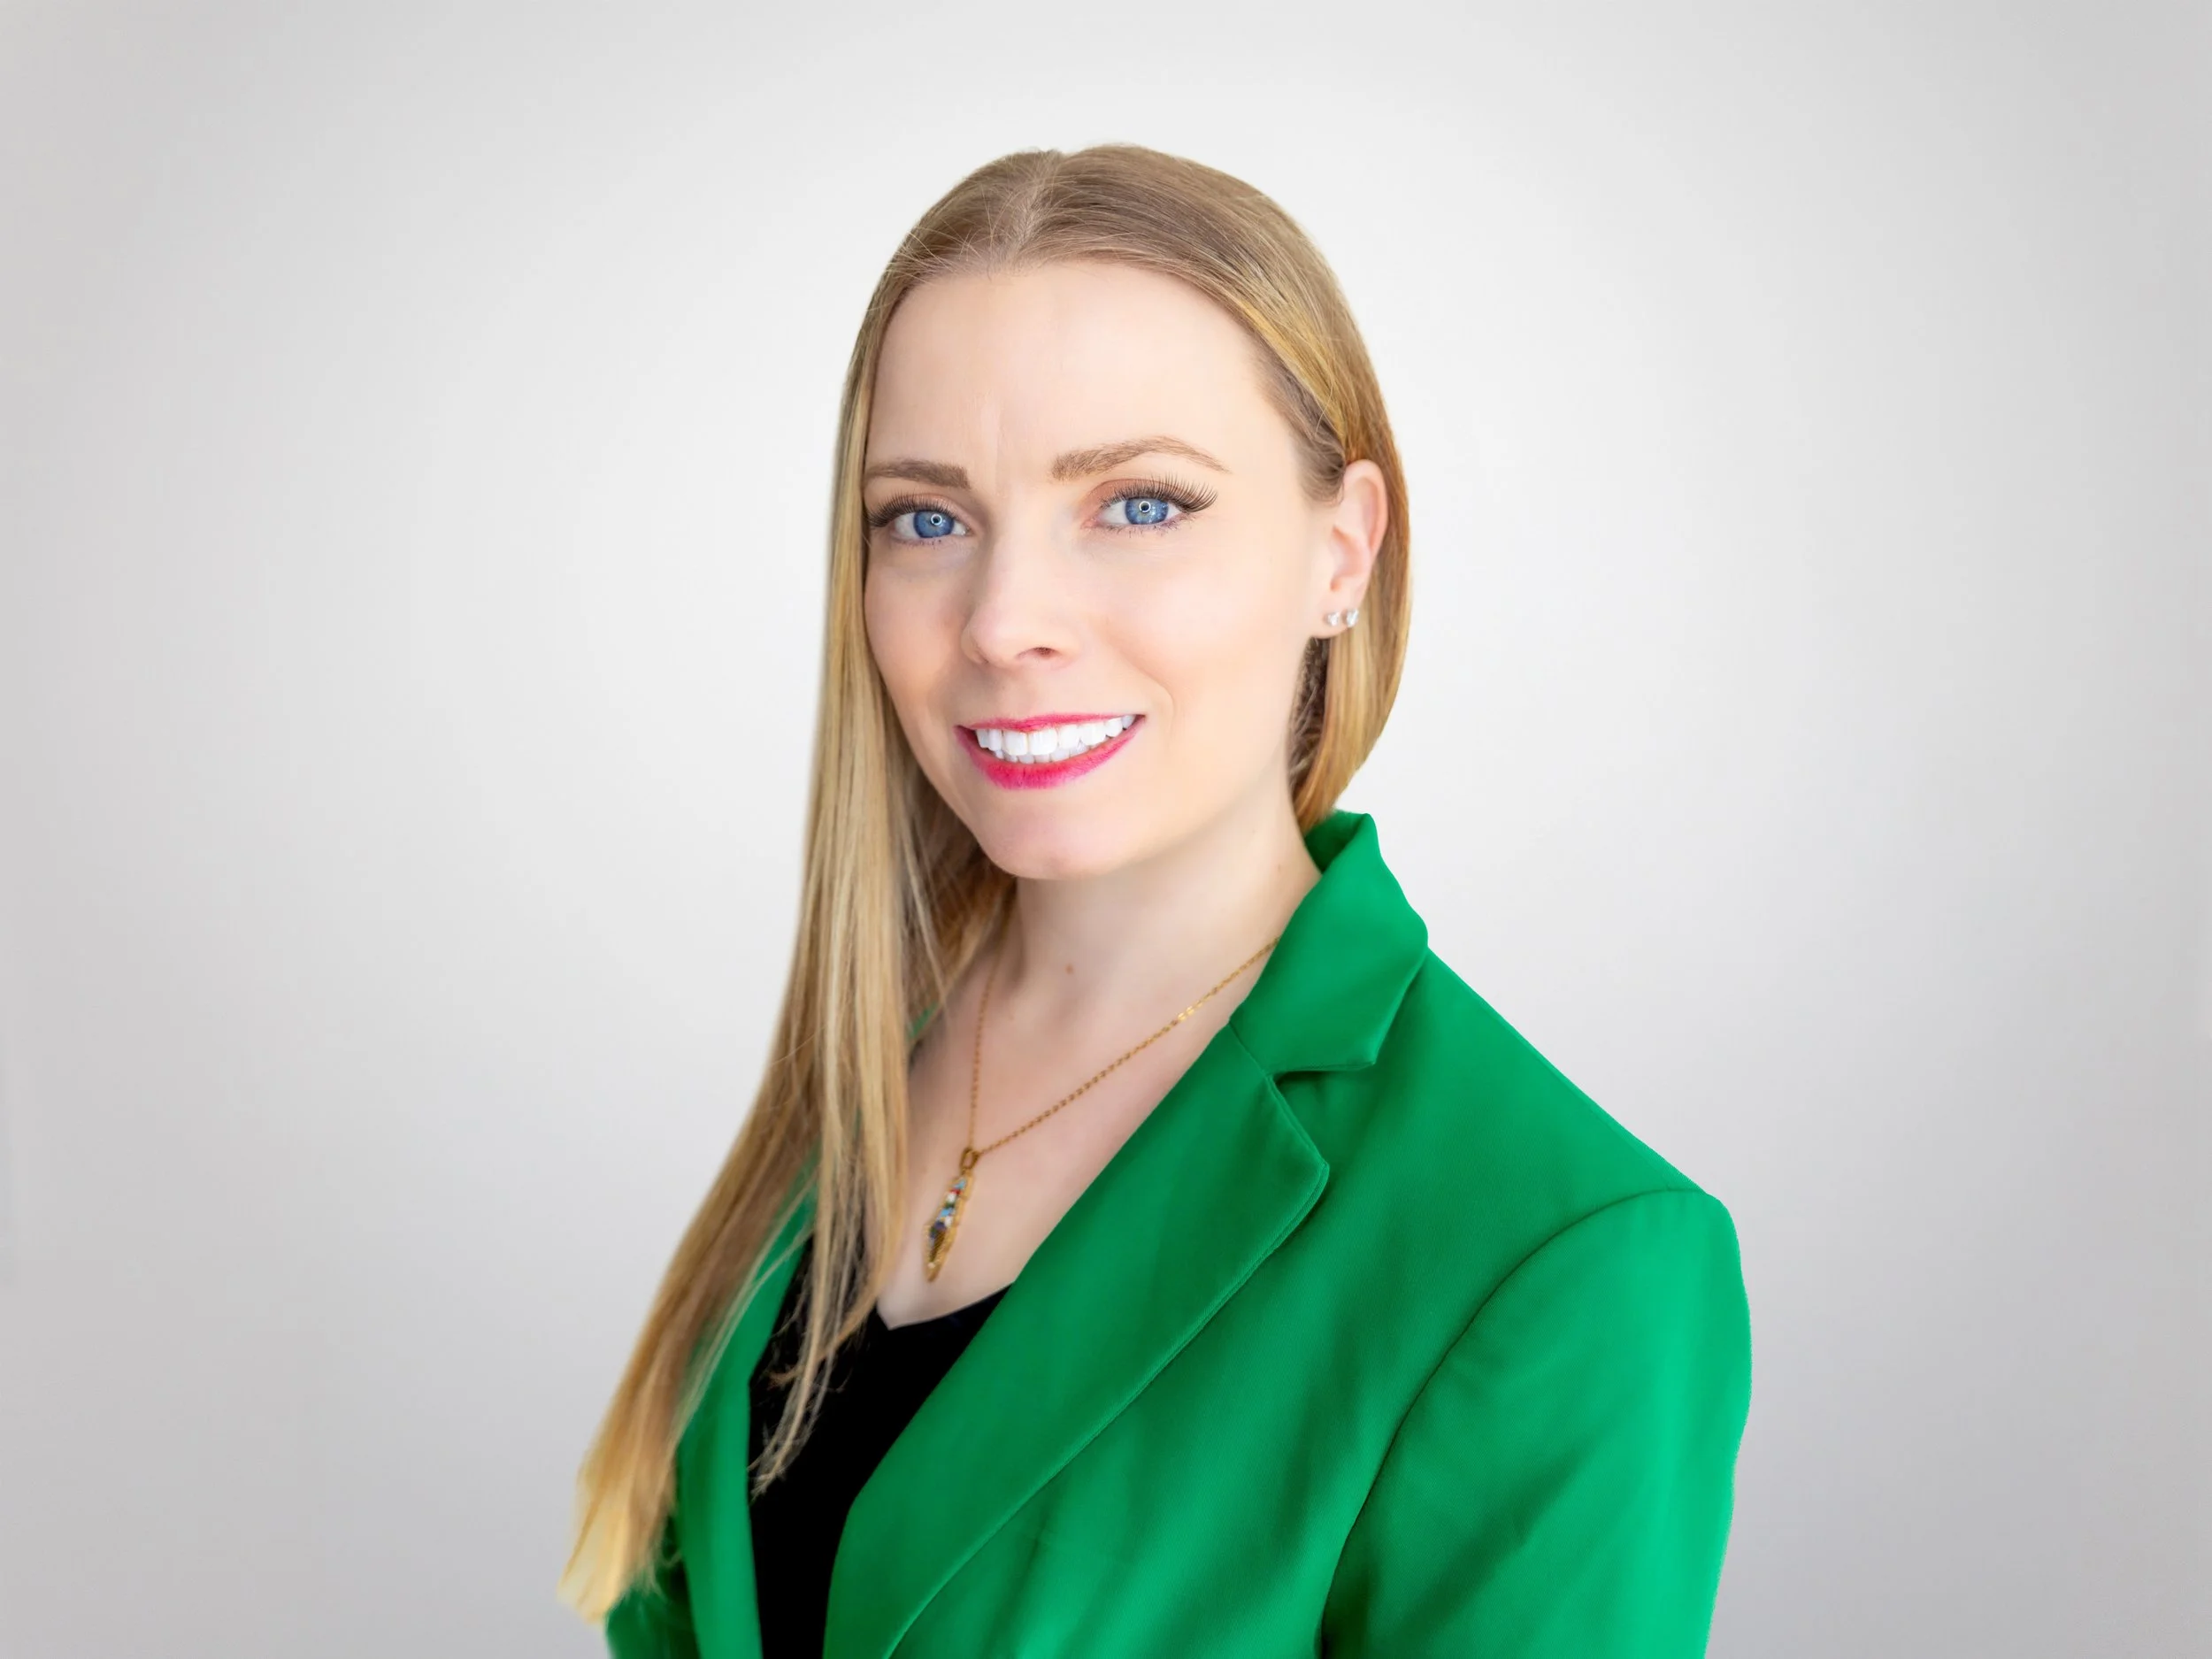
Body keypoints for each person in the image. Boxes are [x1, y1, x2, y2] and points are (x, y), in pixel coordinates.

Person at [560, 143, 1752, 1658]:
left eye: (1137, 505)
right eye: (926, 518)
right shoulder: (864, 1061)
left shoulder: (1567, 1256)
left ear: (1342, 550)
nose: (1002, 621)